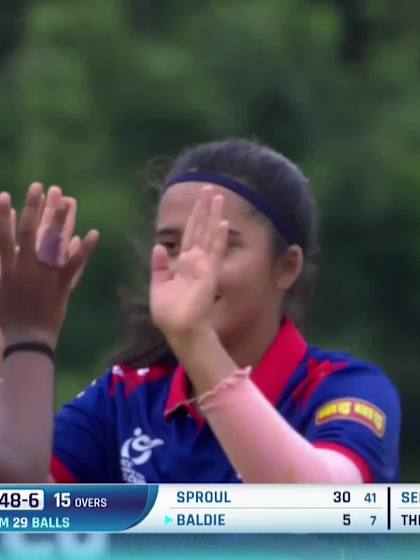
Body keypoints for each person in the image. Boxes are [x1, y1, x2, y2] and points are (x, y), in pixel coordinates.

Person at [0, 138, 400, 483]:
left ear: (286, 267)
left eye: (221, 245)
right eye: (172, 246)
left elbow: (326, 509)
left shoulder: (345, 390)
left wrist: (194, 339)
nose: (193, 266)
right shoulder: (124, 396)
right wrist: (27, 340)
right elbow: (23, 512)